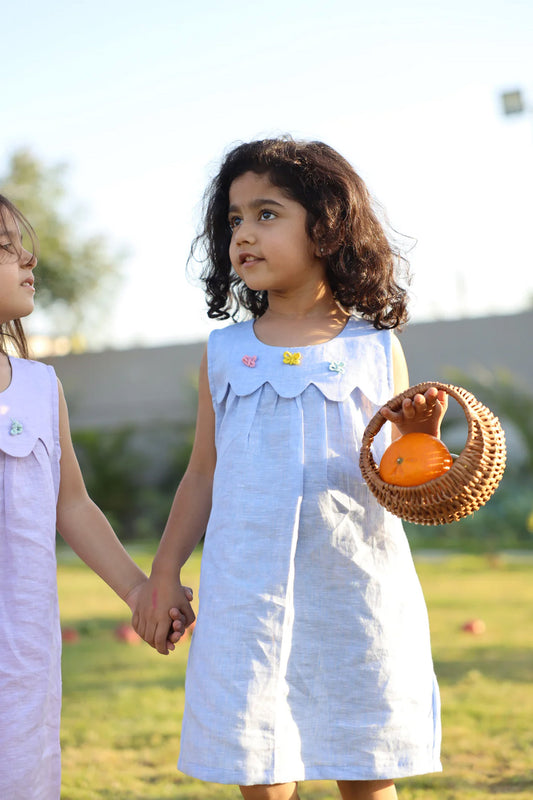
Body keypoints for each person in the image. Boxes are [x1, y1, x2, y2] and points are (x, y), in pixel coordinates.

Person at [133, 138, 447, 800]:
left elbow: (400, 480)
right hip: (245, 598)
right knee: (262, 772)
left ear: (327, 226)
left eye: (266, 214)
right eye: (234, 220)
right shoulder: (223, 352)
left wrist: (420, 439)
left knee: (366, 771)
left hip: (354, 593)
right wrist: (163, 573)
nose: (243, 234)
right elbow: (202, 472)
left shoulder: (375, 349)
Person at [0, 194, 185, 800]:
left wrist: (138, 591)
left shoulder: (39, 385)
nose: (29, 258)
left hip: (23, 653)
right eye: (5, 247)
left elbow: (71, 504)